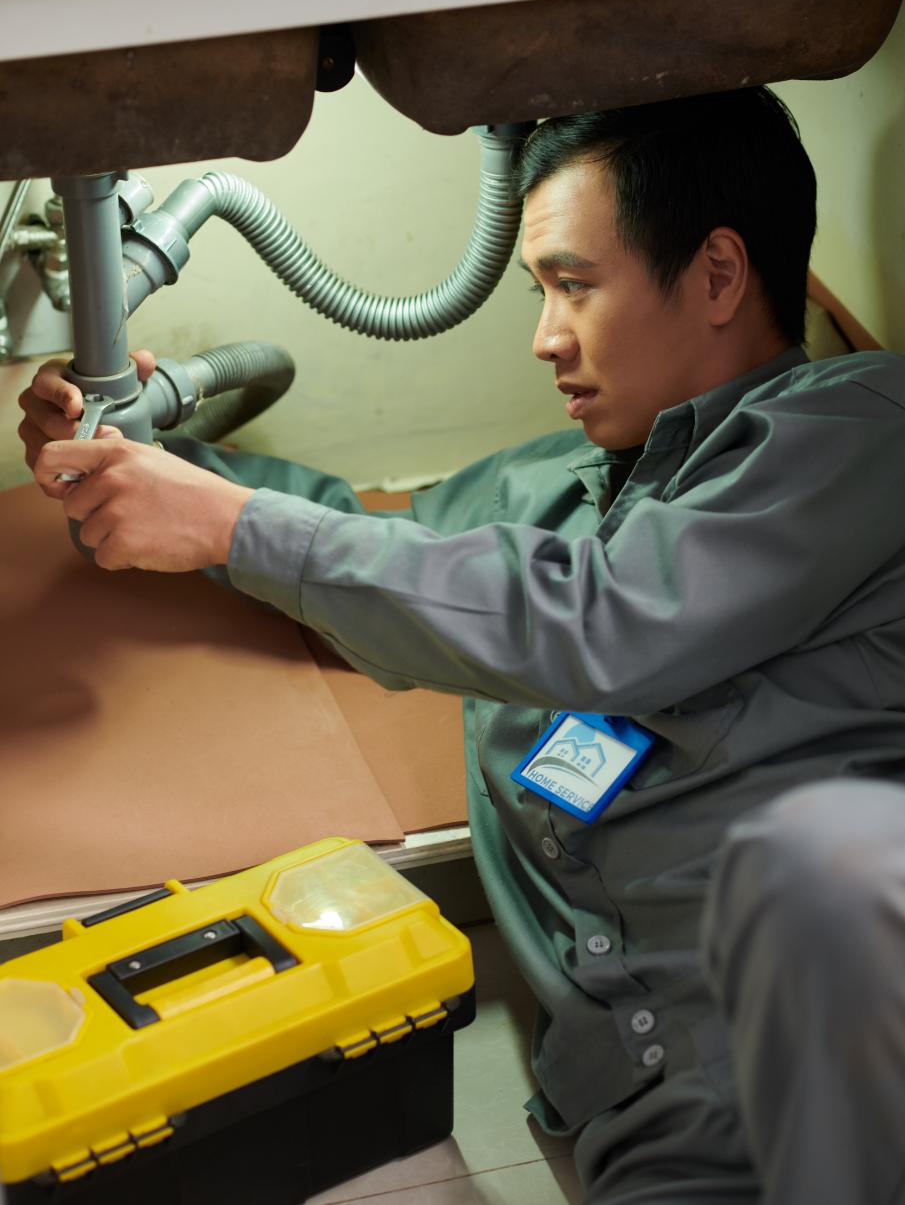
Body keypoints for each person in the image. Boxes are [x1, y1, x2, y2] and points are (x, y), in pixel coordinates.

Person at [18, 88, 905, 1205]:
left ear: (718, 274)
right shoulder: (541, 492)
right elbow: (370, 549)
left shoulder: (856, 432)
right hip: (645, 1118)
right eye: (539, 292)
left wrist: (229, 524)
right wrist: (144, 463)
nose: (543, 338)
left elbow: (602, 620)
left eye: (573, 286)